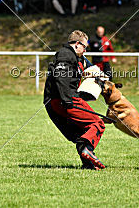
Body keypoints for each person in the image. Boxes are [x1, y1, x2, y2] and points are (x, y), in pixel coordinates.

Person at [44, 30, 106, 170]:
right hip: (66, 99)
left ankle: (88, 164)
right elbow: (61, 77)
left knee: (81, 133)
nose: (85, 50)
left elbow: (91, 68)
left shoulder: (77, 57)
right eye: (84, 47)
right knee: (98, 123)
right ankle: (88, 150)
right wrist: (67, 100)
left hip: (55, 102)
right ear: (77, 44)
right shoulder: (66, 54)